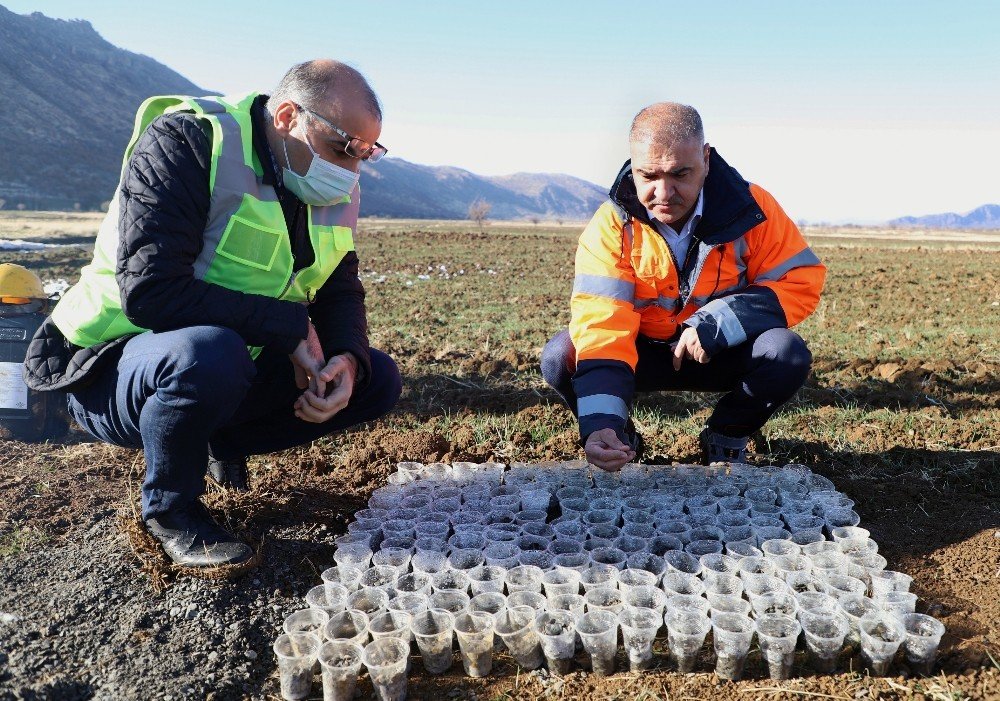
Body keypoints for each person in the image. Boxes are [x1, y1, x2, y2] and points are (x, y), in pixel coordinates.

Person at [23, 60, 402, 567]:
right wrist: (288, 326)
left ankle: (213, 436)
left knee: (378, 379)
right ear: (288, 115)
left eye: (362, 155)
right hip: (107, 365)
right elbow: (151, 292)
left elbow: (339, 288)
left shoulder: (325, 185)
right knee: (208, 354)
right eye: (341, 149)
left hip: (221, 366)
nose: (350, 172)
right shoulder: (188, 141)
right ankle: (170, 513)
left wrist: (347, 359)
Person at [541, 102, 826, 472]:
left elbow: (800, 282)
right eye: (648, 176)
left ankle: (725, 436)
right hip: (640, 353)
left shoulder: (753, 209)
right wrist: (600, 425)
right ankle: (619, 438)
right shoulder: (612, 226)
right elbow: (602, 327)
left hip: (718, 352)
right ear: (633, 164)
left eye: (680, 173)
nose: (664, 192)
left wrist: (716, 324)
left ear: (706, 159)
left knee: (785, 352)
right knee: (562, 355)